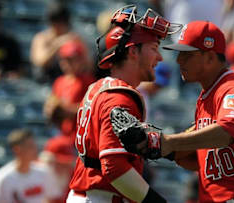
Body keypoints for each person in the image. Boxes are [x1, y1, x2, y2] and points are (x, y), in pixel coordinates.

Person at [122, 20, 234, 203]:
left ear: (210, 58)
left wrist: (169, 141)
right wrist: (156, 147)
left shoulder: (233, 89)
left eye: (187, 55)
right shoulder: (206, 97)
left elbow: (227, 132)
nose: (179, 60)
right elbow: (201, 160)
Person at [67, 5, 181, 203]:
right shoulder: (119, 96)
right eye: (154, 48)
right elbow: (114, 166)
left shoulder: (100, 87)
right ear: (133, 52)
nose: (160, 57)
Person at [43, 40, 95, 142]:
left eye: (71, 60)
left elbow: (91, 109)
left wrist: (64, 109)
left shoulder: (88, 81)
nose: (67, 63)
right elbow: (51, 109)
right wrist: (50, 109)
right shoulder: (59, 81)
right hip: (62, 134)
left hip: (81, 136)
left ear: (81, 60)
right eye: (64, 60)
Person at [30, 2, 89, 83]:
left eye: (61, 23)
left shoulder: (74, 38)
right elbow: (39, 62)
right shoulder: (42, 38)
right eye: (55, 23)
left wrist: (79, 46)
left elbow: (89, 65)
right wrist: (58, 44)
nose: (58, 27)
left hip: (68, 83)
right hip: (45, 82)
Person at [0, 129, 59, 203]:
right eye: (30, 146)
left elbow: (53, 198)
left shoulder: (44, 171)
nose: (35, 149)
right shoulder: (3, 177)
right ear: (17, 149)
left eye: (34, 145)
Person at [38, 135, 76, 203]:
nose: (62, 168)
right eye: (58, 163)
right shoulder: (35, 175)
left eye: (66, 163)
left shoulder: (75, 178)